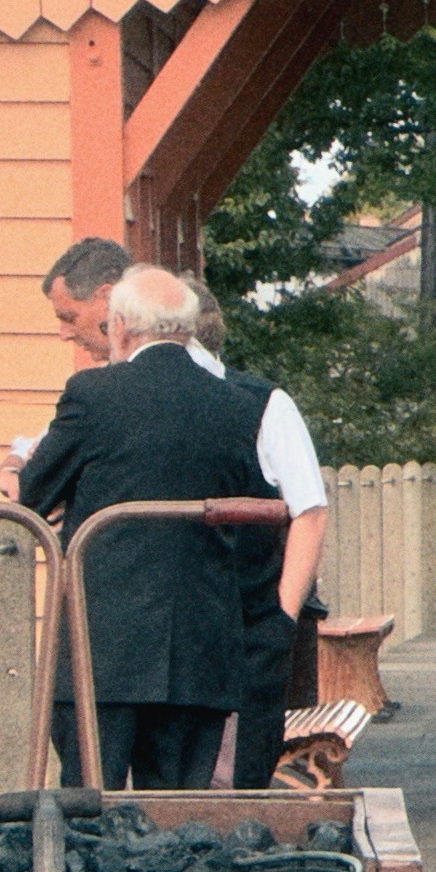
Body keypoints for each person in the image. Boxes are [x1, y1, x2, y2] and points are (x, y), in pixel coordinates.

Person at [14, 264, 268, 788]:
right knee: (180, 814)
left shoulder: (94, 394)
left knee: (87, 807)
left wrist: (15, 468)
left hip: (100, 645)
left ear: (122, 326)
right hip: (199, 644)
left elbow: (36, 493)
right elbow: (252, 507)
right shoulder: (237, 406)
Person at [184, 289, 329, 790]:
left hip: (245, 625)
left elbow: (310, 509)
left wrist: (280, 622)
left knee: (233, 785)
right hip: (182, 636)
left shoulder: (264, 405)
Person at [0, 237, 130, 496]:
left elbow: (33, 489)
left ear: (108, 298)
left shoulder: (95, 390)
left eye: (70, 317)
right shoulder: (100, 386)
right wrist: (17, 461)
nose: (64, 334)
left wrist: (17, 474)